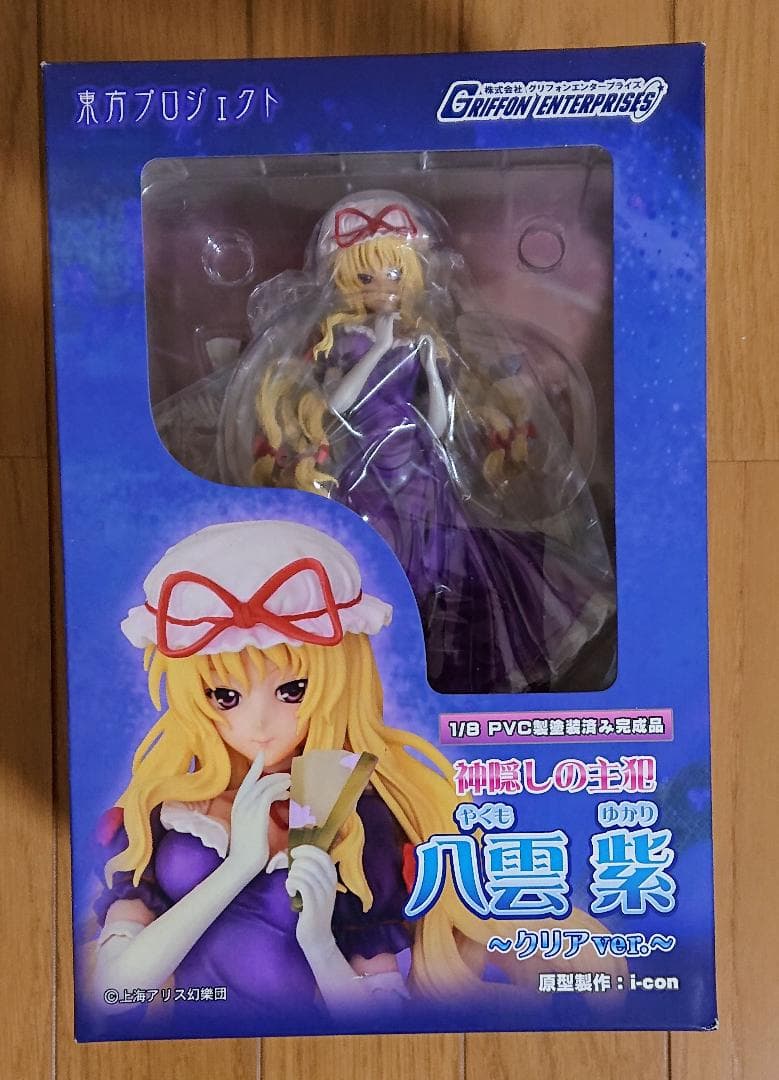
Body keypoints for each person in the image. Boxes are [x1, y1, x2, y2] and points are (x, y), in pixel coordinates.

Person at [92, 519, 621, 1030]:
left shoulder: (348, 821)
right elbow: (114, 994)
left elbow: (377, 1017)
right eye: (225, 696)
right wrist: (238, 867)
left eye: (292, 690)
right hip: (190, 1047)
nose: (258, 724)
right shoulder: (166, 814)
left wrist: (320, 943)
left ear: (339, 682)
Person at [224, 191, 615, 693]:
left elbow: (440, 422)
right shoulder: (346, 339)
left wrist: (430, 366)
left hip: (422, 464)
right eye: (366, 277)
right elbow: (338, 408)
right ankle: (377, 659)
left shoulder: (420, 339)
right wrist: (380, 348)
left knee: (441, 555)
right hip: (364, 465)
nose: (383, 287)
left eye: (393, 274)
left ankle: (432, 651)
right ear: (343, 280)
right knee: (376, 554)